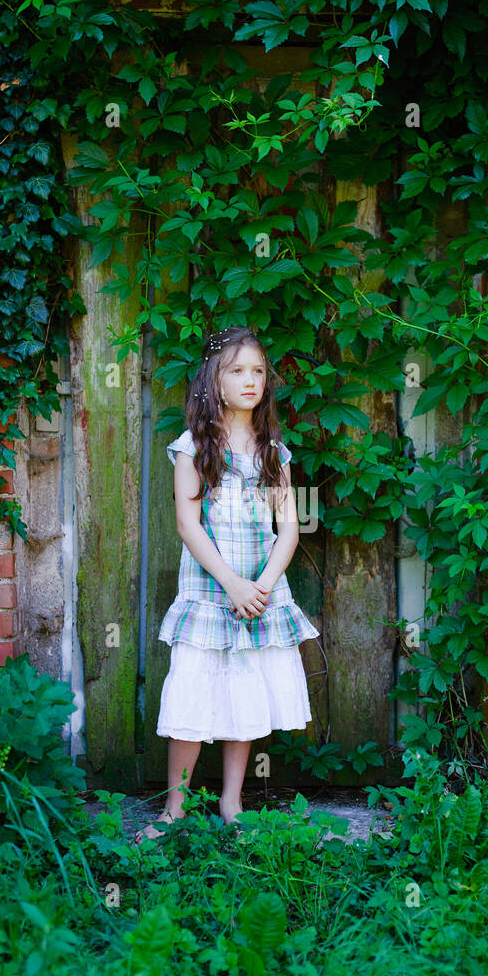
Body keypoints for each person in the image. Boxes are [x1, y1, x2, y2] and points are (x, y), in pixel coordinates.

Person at [134, 326, 320, 843]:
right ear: (211, 381)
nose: (250, 380)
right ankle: (175, 809)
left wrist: (260, 585)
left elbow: (290, 527)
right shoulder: (193, 446)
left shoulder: (273, 451)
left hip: (260, 596)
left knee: (244, 695)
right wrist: (233, 584)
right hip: (211, 592)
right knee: (192, 695)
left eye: (258, 371)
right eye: (237, 370)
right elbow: (187, 525)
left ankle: (231, 803)